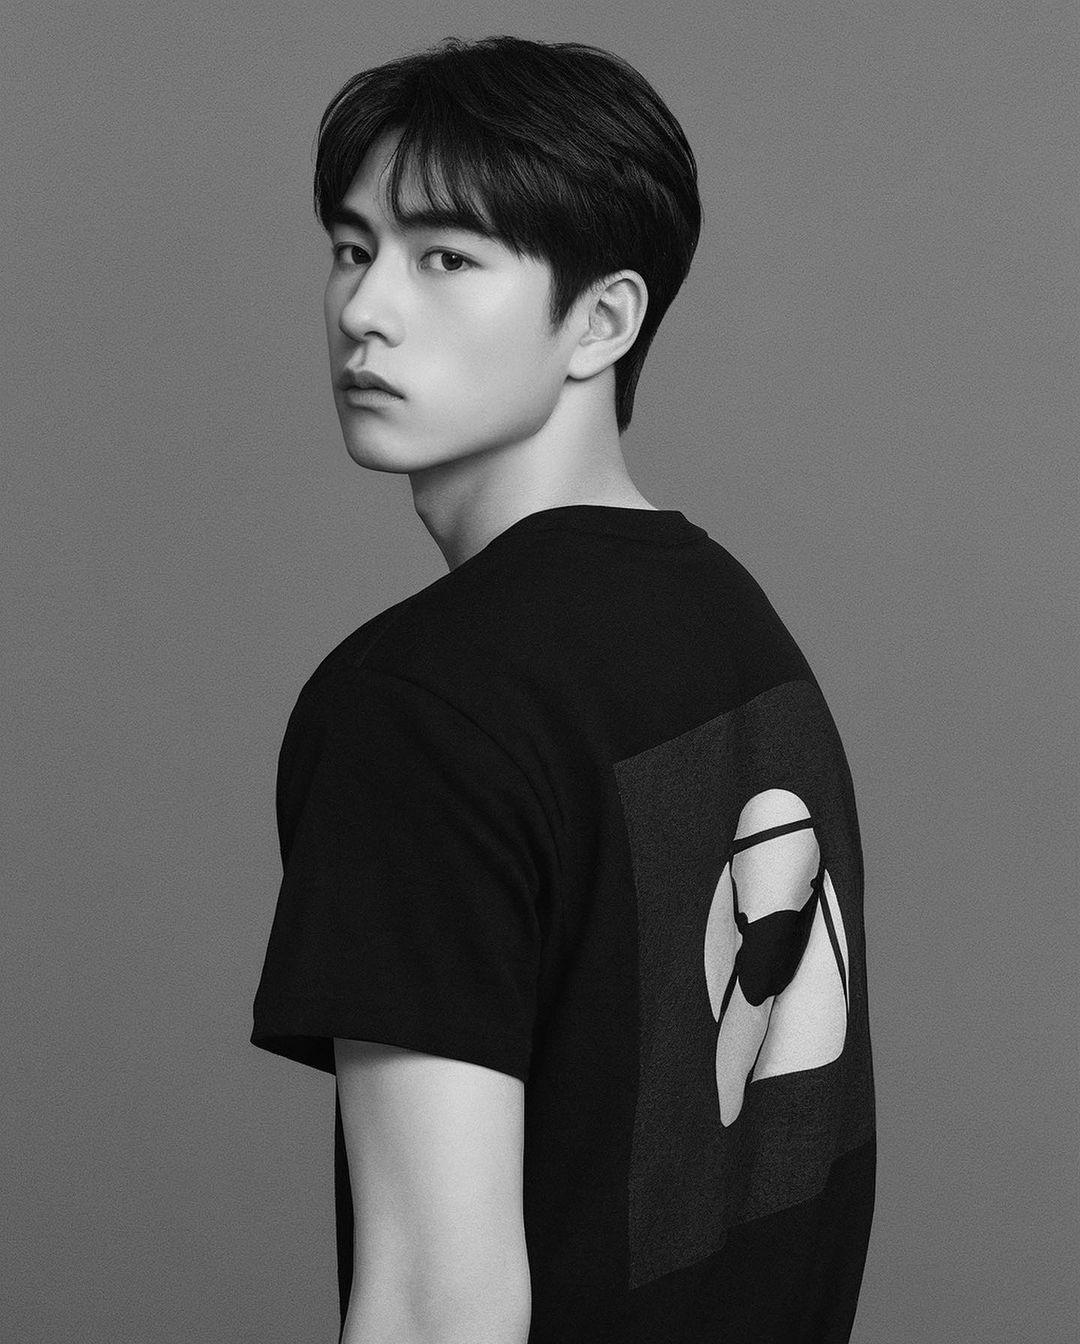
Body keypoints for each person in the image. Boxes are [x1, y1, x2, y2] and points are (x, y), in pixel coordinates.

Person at [250, 33, 876, 1344]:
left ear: (603, 320)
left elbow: (437, 1308)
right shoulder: (733, 624)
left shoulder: (418, 709)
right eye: (353, 248)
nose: (364, 309)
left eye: (446, 258)